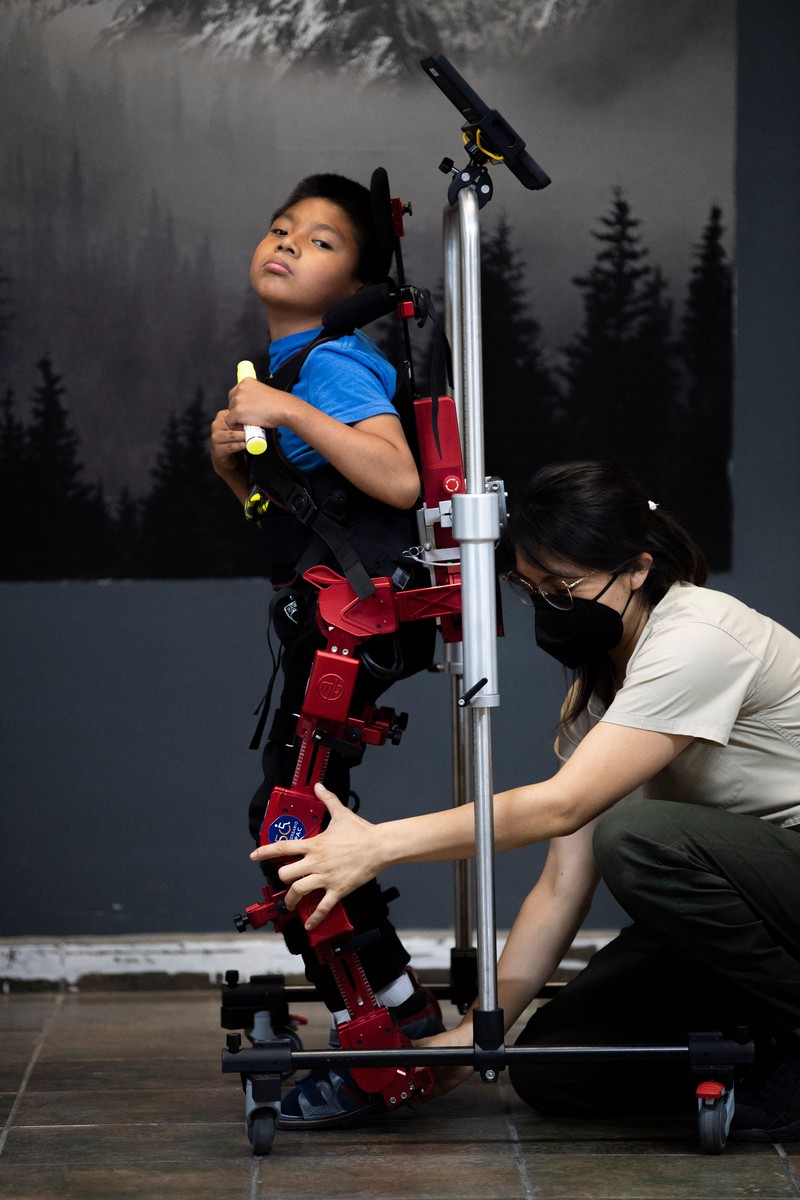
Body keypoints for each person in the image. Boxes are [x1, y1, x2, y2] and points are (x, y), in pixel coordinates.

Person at [252, 459, 800, 1142]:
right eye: (531, 587)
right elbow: (563, 882)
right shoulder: (604, 680)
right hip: (749, 907)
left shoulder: (698, 640)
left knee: (636, 837)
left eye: (564, 587)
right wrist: (469, 1041)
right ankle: (756, 1039)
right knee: (553, 1071)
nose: (548, 607)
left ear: (637, 567)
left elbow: (561, 807)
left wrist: (378, 844)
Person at [210, 173, 443, 1130]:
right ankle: (393, 1011)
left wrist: (293, 413)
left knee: (296, 821)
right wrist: (237, 467)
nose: (289, 245)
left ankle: (391, 1037)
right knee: (292, 818)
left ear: (356, 280)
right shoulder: (289, 362)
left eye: (320, 241)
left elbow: (394, 480)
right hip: (334, 618)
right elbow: (290, 526)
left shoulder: (334, 363)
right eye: (280, 230)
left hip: (360, 625)